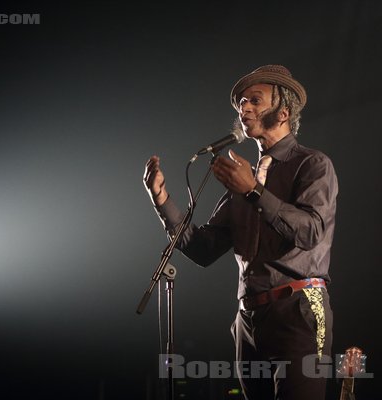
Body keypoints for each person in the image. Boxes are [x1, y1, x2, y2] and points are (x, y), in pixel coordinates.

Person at [143, 65, 338, 399]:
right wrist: (161, 199)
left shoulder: (311, 165)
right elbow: (203, 249)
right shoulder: (242, 178)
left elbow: (311, 233)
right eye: (241, 103)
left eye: (255, 101)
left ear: (284, 112)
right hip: (249, 319)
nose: (244, 108)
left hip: (297, 311)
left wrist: (254, 192)